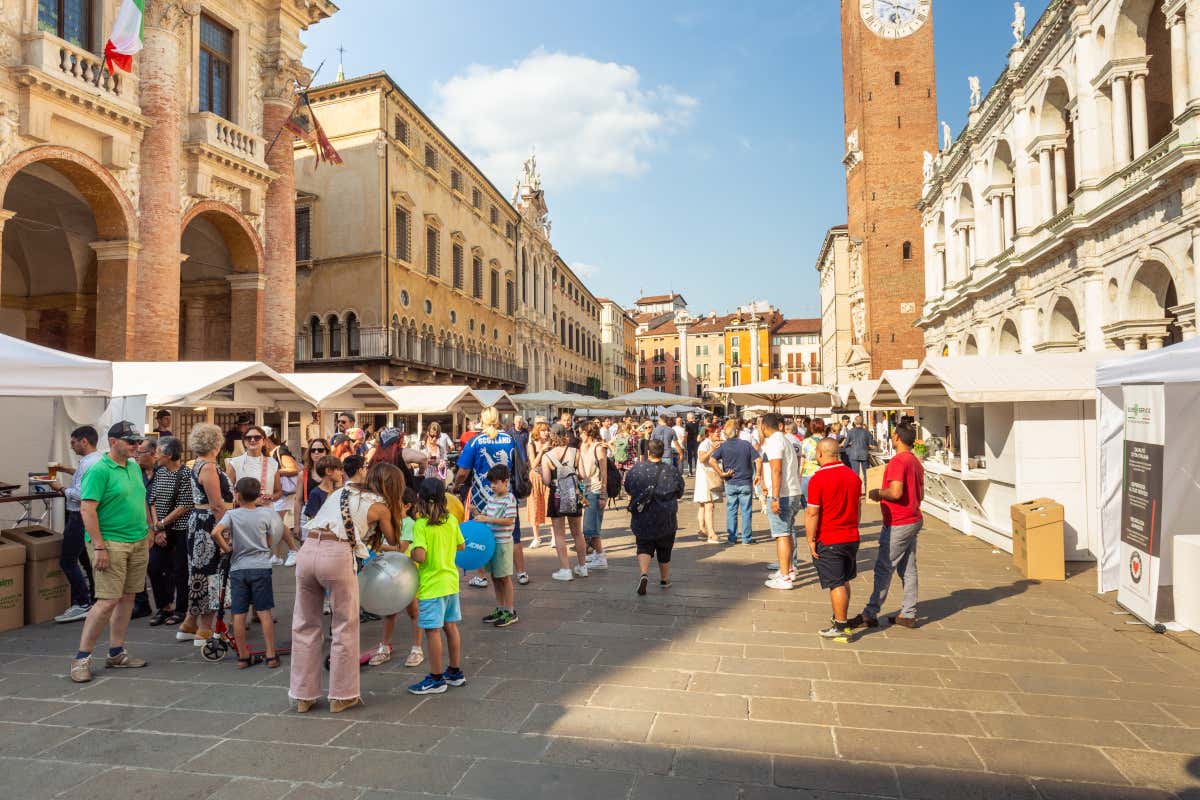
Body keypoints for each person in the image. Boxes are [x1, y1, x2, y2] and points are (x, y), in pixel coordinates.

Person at [292, 454, 394, 713]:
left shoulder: (338, 493)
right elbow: (394, 540)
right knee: (344, 625)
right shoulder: (379, 505)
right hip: (336, 555)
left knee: (304, 624)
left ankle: (303, 696)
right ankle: (342, 695)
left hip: (308, 550)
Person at [69, 421, 152, 683]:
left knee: (127, 597)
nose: (136, 446)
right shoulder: (98, 470)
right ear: (113, 442)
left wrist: (149, 529)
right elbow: (87, 509)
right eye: (131, 442)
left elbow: (141, 500)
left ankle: (116, 652)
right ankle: (81, 658)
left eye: (138, 442)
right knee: (106, 601)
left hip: (137, 540)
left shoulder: (133, 467)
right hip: (111, 542)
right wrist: (99, 546)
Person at [854, 422, 925, 630]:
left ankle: (870, 612)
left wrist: (877, 493)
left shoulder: (898, 461)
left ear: (896, 438)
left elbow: (895, 492)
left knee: (884, 566)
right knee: (908, 568)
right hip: (913, 517)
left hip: (899, 521)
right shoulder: (915, 461)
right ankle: (908, 612)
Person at [211, 477, 282, 668]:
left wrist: (227, 549)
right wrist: (266, 545)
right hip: (260, 567)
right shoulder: (265, 514)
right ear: (258, 495)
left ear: (238, 495)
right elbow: (273, 536)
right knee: (264, 612)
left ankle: (243, 656)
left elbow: (215, 532)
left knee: (239, 614)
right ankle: (270, 655)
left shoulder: (232, 515)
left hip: (239, 568)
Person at [408, 478, 467, 695]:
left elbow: (421, 556)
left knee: (432, 631)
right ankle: (454, 672)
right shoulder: (451, 519)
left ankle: (435, 678)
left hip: (431, 585)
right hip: (451, 582)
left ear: (420, 498)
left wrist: (413, 552)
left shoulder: (420, 525)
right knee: (450, 627)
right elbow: (461, 545)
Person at [804, 438, 863, 639]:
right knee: (844, 579)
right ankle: (840, 616)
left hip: (830, 537)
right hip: (851, 535)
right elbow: (858, 507)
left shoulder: (818, 479)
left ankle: (840, 625)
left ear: (820, 454)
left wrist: (810, 539)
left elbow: (812, 513)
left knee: (836, 583)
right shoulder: (853, 476)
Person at [179, 423, 231, 646]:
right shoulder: (209, 468)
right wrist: (224, 534)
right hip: (209, 525)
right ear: (216, 444)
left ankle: (189, 623)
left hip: (199, 524)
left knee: (199, 573)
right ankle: (204, 628)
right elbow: (217, 505)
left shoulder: (198, 464)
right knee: (213, 576)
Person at [51, 426, 100, 623]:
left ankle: (82, 603)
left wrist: (61, 488)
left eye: (73, 442)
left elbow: (82, 494)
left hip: (79, 516)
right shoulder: (95, 461)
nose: (71, 446)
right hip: (86, 516)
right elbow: (84, 479)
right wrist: (65, 470)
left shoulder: (89, 463)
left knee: (67, 561)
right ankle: (95, 598)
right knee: (86, 560)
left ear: (84, 441)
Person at [623, 439, 685, 596]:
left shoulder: (636, 469)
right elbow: (680, 491)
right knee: (665, 547)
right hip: (666, 516)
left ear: (648, 452)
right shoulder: (672, 471)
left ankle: (644, 573)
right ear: (663, 452)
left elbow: (628, 488)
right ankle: (664, 579)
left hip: (643, 516)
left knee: (643, 545)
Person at [146, 437, 193, 627]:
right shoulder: (159, 472)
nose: (155, 455)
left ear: (169, 454)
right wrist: (158, 527)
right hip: (162, 528)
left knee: (180, 570)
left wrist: (163, 524)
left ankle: (181, 610)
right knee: (154, 567)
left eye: (158, 452)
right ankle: (164, 606)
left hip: (181, 529)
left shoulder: (186, 474)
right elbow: (153, 500)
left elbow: (185, 505)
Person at [536, 426, 590, 581]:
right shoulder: (576, 452)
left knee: (559, 534)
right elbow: (583, 475)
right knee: (577, 532)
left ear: (552, 437)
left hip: (557, 496)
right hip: (574, 495)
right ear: (566, 435)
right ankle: (582, 567)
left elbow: (546, 481)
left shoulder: (547, 456)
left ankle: (565, 569)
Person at [761, 414, 805, 591]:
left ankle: (785, 577)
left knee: (782, 534)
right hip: (794, 491)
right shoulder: (786, 439)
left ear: (764, 426)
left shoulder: (774, 442)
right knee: (788, 531)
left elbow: (776, 470)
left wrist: (775, 497)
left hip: (784, 494)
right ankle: (789, 569)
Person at [475, 464, 519, 627]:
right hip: (491, 543)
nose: (492, 486)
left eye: (496, 482)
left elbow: (509, 520)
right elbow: (485, 514)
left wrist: (487, 519)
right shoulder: (492, 498)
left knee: (504, 578)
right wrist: (475, 513)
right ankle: (501, 608)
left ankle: (510, 611)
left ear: (505, 481)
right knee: (495, 576)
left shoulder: (510, 498)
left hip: (503, 544)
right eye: (491, 483)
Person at [703, 418, 757, 544]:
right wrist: (758, 474)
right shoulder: (746, 444)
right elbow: (758, 460)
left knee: (731, 511)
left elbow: (711, 460)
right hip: (745, 482)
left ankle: (732, 538)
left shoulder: (723, 446)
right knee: (746, 511)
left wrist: (721, 473)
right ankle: (746, 538)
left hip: (730, 482)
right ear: (737, 432)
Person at [579, 421, 610, 570]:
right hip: (587, 490)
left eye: (581, 432)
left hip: (597, 490)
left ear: (588, 432)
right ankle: (598, 555)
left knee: (591, 528)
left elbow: (604, 472)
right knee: (591, 526)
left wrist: (603, 495)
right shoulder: (583, 447)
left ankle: (601, 556)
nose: (579, 435)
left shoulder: (598, 447)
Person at [693, 423, 723, 543]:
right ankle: (711, 533)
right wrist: (712, 449)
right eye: (717, 432)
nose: (719, 434)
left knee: (703, 505)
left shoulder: (709, 443)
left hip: (705, 477)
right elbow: (701, 458)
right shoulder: (705, 444)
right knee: (709, 505)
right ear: (709, 433)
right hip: (706, 478)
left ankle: (702, 530)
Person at [524, 419, 551, 550]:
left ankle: (554, 537)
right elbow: (533, 464)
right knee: (534, 506)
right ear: (537, 432)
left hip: (547, 477)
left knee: (549, 505)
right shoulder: (532, 444)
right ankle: (536, 538)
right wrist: (542, 451)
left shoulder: (551, 444)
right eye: (543, 430)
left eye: (547, 430)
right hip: (534, 478)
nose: (546, 433)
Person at [844, 415, 875, 487]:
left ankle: (857, 493)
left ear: (855, 422)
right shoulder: (867, 432)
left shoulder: (850, 431)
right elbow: (871, 445)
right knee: (866, 474)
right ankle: (867, 492)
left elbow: (845, 444)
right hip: (864, 454)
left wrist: (849, 444)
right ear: (862, 422)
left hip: (854, 454)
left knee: (855, 475)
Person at [684, 413, 700, 477]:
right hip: (696, 442)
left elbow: (686, 434)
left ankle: (690, 472)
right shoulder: (697, 424)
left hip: (689, 442)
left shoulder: (687, 425)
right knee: (696, 457)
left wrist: (684, 442)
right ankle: (697, 471)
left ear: (688, 418)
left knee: (690, 457)